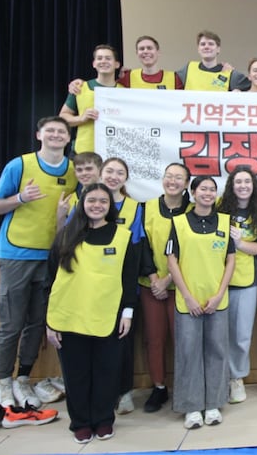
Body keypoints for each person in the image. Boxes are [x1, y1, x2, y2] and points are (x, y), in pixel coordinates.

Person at [0, 116, 78, 409]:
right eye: (50, 130)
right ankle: (2, 382)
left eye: (61, 131)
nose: (55, 135)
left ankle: (23, 378)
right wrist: (21, 198)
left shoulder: (74, 170)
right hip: (17, 253)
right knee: (11, 324)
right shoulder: (20, 165)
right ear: (39, 134)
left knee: (37, 323)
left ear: (68, 138)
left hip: (51, 256)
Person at [46, 183, 140, 443]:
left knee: (107, 372)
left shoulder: (122, 237)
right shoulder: (65, 236)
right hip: (69, 316)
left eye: (103, 201)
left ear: (110, 207)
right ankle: (80, 423)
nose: (97, 205)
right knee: (76, 374)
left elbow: (129, 279)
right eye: (92, 200)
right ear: (82, 204)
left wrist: (128, 313)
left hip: (108, 317)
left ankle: (103, 420)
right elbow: (50, 281)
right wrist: (50, 322)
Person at [166, 175, 235, 429]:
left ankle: (214, 403)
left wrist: (218, 294)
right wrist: (186, 295)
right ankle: (192, 406)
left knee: (217, 351)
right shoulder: (180, 222)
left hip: (217, 300)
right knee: (188, 352)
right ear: (193, 192)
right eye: (203, 188)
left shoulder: (225, 222)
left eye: (212, 189)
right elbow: (171, 260)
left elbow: (230, 260)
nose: (208, 193)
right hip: (189, 301)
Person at [138, 162, 192, 413]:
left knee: (184, 340)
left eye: (178, 177)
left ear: (187, 183)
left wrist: (169, 279)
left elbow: (192, 250)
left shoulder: (194, 210)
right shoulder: (146, 207)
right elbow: (141, 246)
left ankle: (185, 386)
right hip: (151, 285)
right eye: (169, 176)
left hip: (183, 287)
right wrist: (154, 279)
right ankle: (159, 388)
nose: (173, 181)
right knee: (154, 339)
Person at [216, 166, 257, 404]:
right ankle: (219, 378)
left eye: (247, 182)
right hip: (215, 280)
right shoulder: (218, 206)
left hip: (246, 281)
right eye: (238, 182)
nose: (243, 186)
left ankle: (236, 378)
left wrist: (239, 243)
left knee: (241, 336)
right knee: (217, 335)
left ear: (254, 185)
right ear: (231, 185)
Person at [98, 157, 148, 415]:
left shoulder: (134, 208)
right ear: (100, 174)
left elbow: (136, 251)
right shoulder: (89, 203)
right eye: (109, 171)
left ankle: (124, 391)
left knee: (123, 340)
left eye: (119, 173)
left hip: (124, 287)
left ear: (125, 178)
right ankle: (101, 392)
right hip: (93, 288)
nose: (113, 176)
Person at [59, 44, 121, 153]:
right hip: (84, 152)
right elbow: (63, 117)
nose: (103, 61)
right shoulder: (80, 88)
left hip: (116, 151)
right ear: (94, 64)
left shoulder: (125, 91)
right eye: (99, 58)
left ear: (117, 64)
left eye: (108, 58)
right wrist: (81, 118)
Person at [68, 35, 184, 94]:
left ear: (158, 52)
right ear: (137, 53)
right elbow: (107, 86)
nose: (145, 51)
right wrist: (80, 83)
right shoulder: (128, 77)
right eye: (141, 49)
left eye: (149, 48)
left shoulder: (174, 78)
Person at [178, 30, 250, 91]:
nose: (206, 46)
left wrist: (239, 93)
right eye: (203, 44)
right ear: (198, 49)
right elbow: (169, 82)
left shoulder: (230, 74)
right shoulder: (188, 69)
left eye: (211, 44)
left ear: (218, 49)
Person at [56, 152, 103, 231]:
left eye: (89, 169)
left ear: (101, 170)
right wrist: (60, 216)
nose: (84, 173)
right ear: (75, 173)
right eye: (79, 170)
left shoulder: (110, 197)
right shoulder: (69, 200)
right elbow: (61, 235)